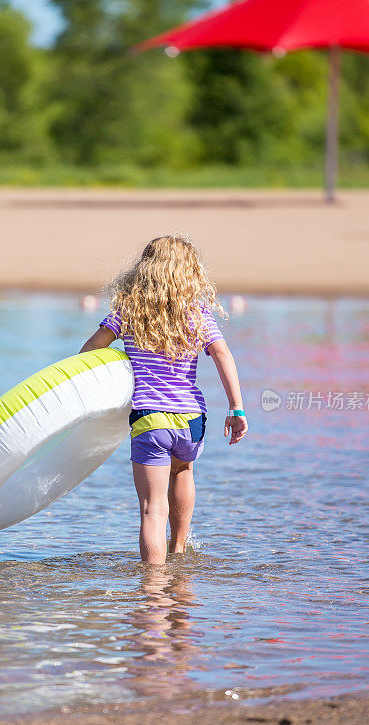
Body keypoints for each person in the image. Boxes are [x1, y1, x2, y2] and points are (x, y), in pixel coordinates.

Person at [80, 235, 247, 564]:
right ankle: (179, 554)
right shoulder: (197, 313)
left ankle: (153, 588)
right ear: (189, 272)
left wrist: (115, 374)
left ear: (143, 270)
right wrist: (236, 408)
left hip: (150, 419)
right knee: (183, 470)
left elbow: (90, 351)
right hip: (191, 420)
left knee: (151, 511)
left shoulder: (129, 310)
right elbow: (222, 354)